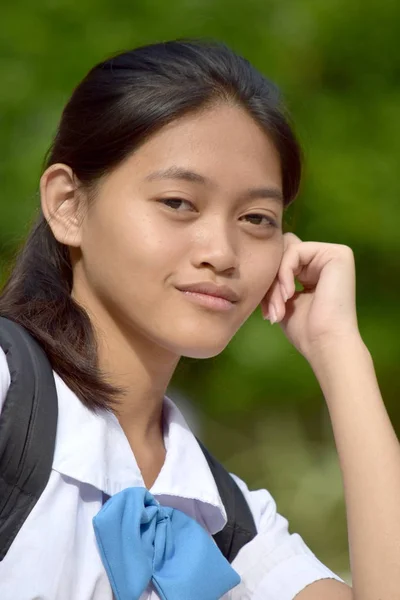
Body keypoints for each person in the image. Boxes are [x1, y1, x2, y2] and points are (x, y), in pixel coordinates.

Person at [0, 39, 398, 600]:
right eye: (178, 203)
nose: (223, 251)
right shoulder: (10, 396)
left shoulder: (228, 518)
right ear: (69, 205)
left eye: (257, 218)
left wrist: (340, 351)